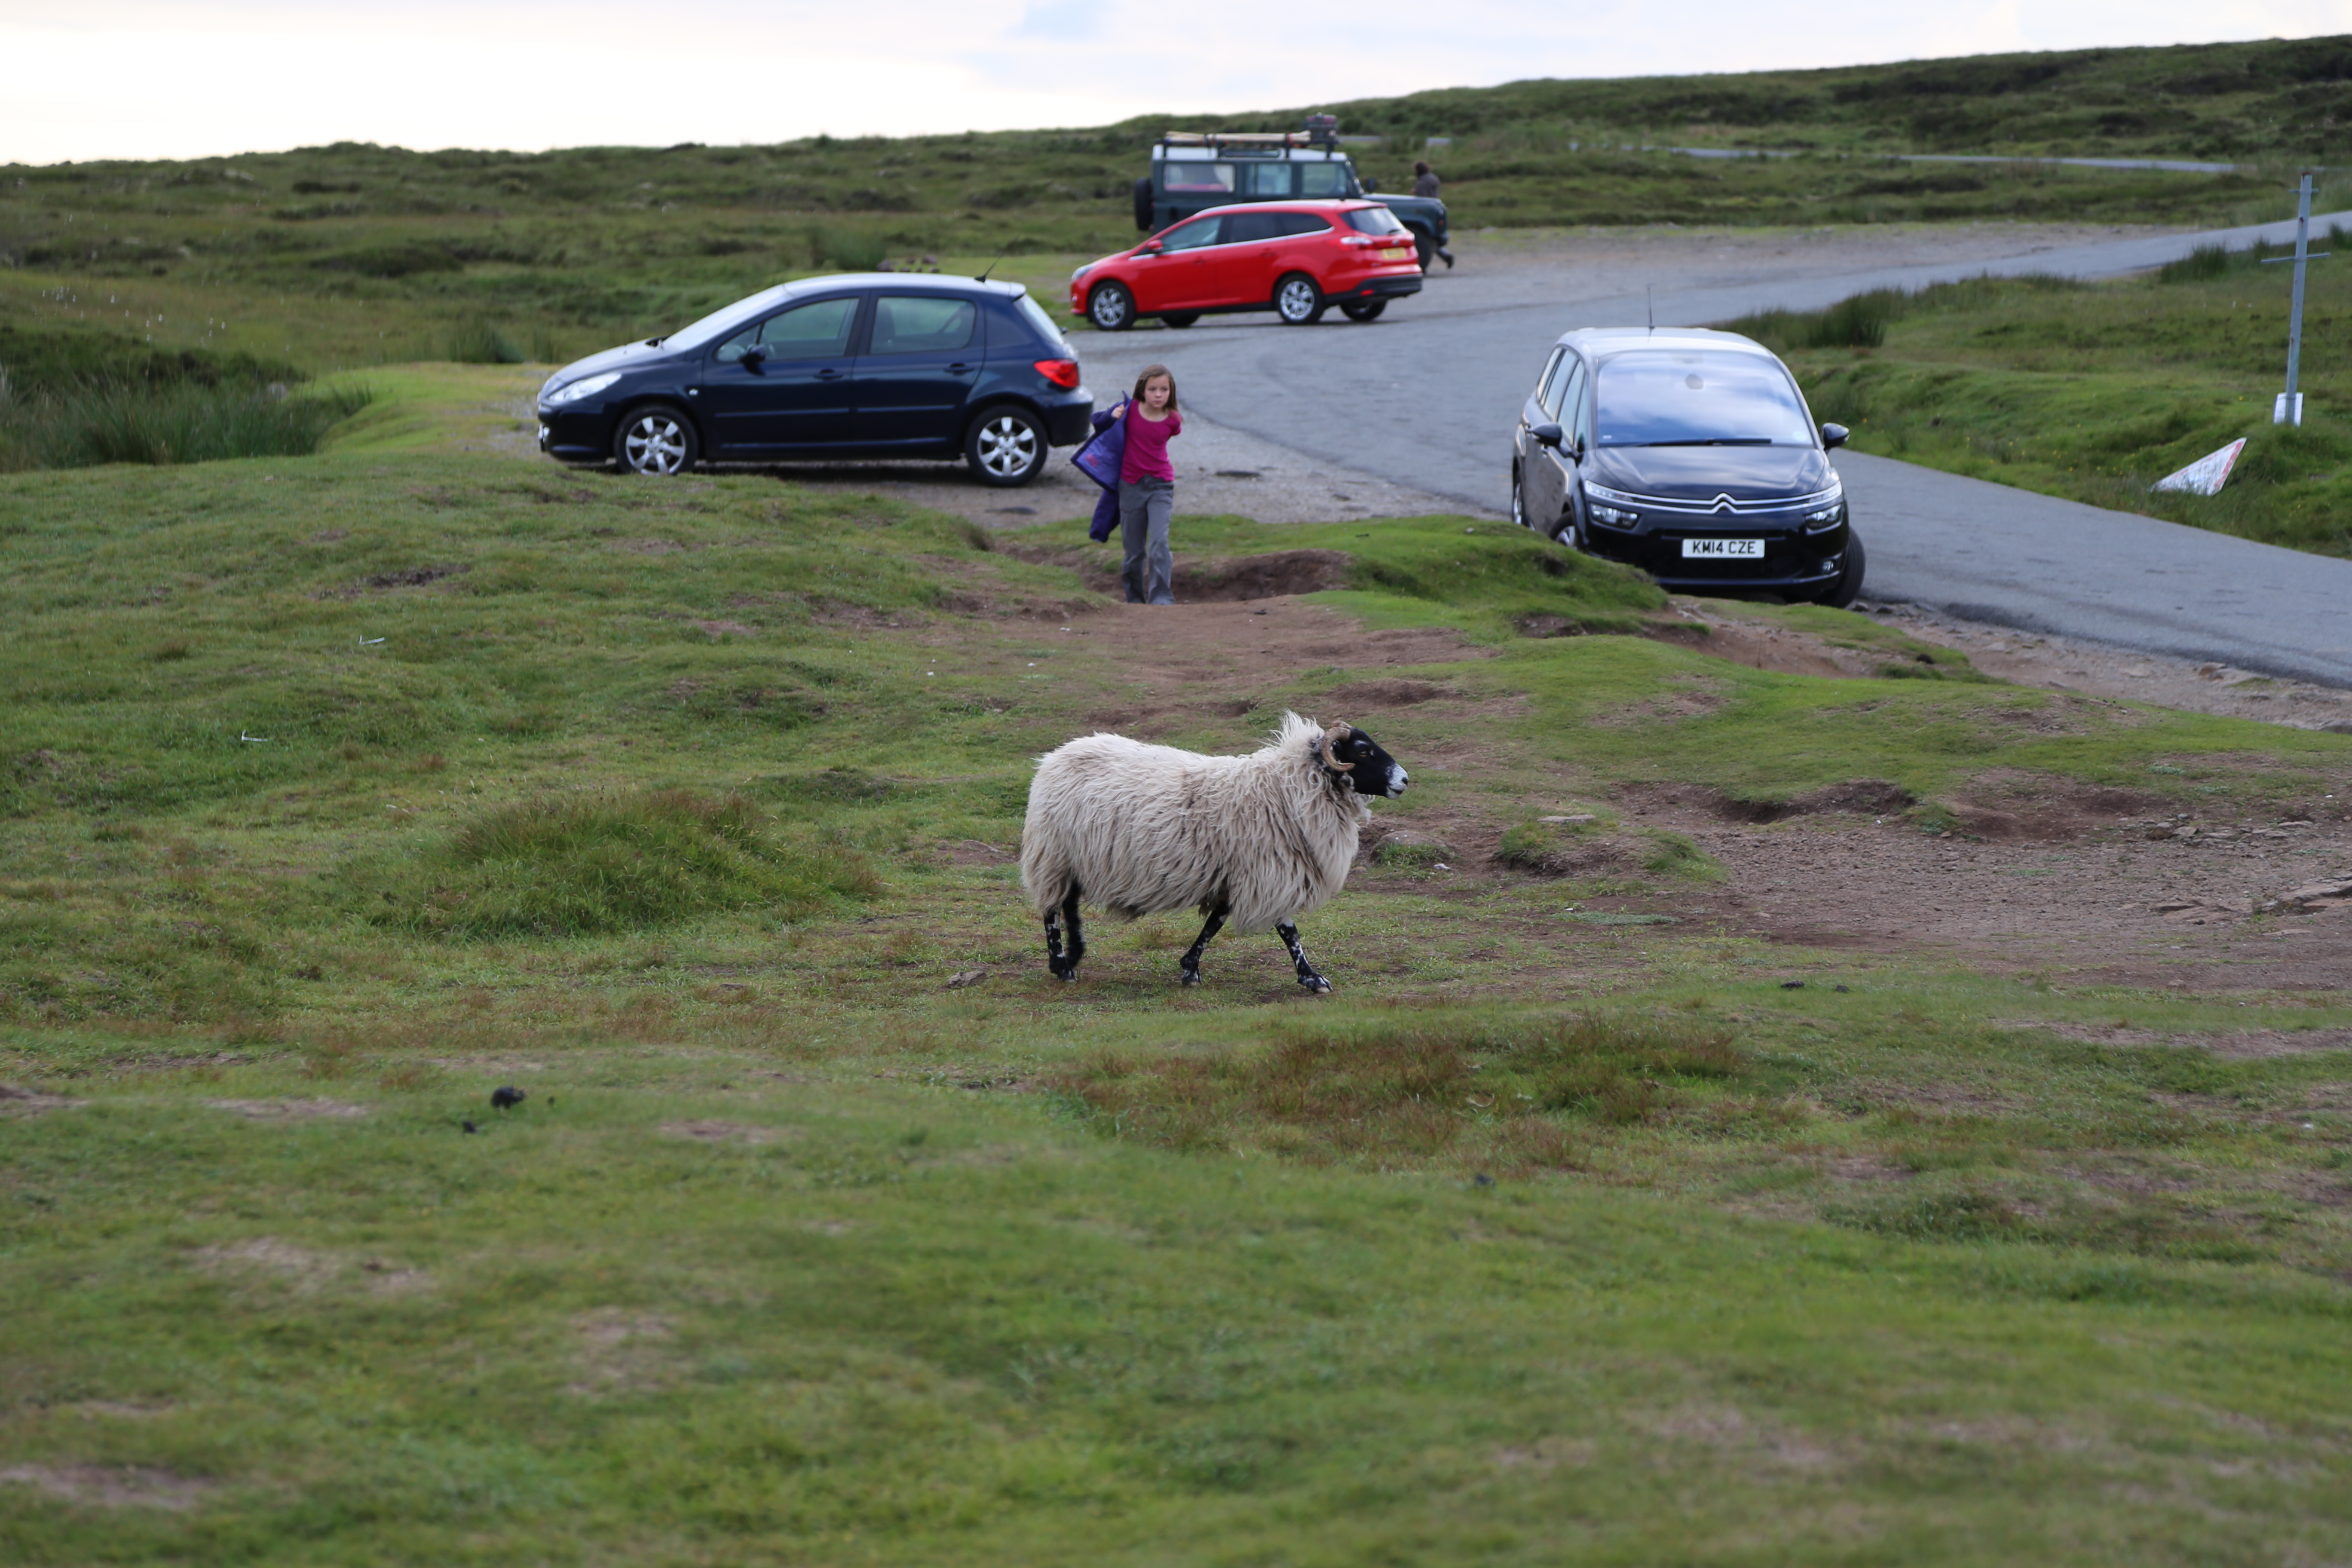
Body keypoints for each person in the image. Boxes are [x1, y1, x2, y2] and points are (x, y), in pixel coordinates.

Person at [1118, 364, 1182, 605]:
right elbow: (1100, 423)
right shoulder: (1129, 410)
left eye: (1164, 389)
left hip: (1161, 486)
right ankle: (1134, 600)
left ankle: (1161, 599)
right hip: (1131, 486)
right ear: (1142, 391)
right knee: (1134, 551)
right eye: (1153, 389)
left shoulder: (1173, 421)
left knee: (1159, 543)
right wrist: (1110, 416)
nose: (1158, 395)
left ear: (1171, 392)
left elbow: (1167, 435)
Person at [1412, 161, 1455, 269]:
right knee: (1433, 239)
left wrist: (1416, 193)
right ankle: (1446, 256)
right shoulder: (1434, 179)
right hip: (1436, 207)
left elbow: (1422, 199)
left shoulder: (1422, 183)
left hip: (1427, 213)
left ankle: (1446, 256)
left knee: (1428, 240)